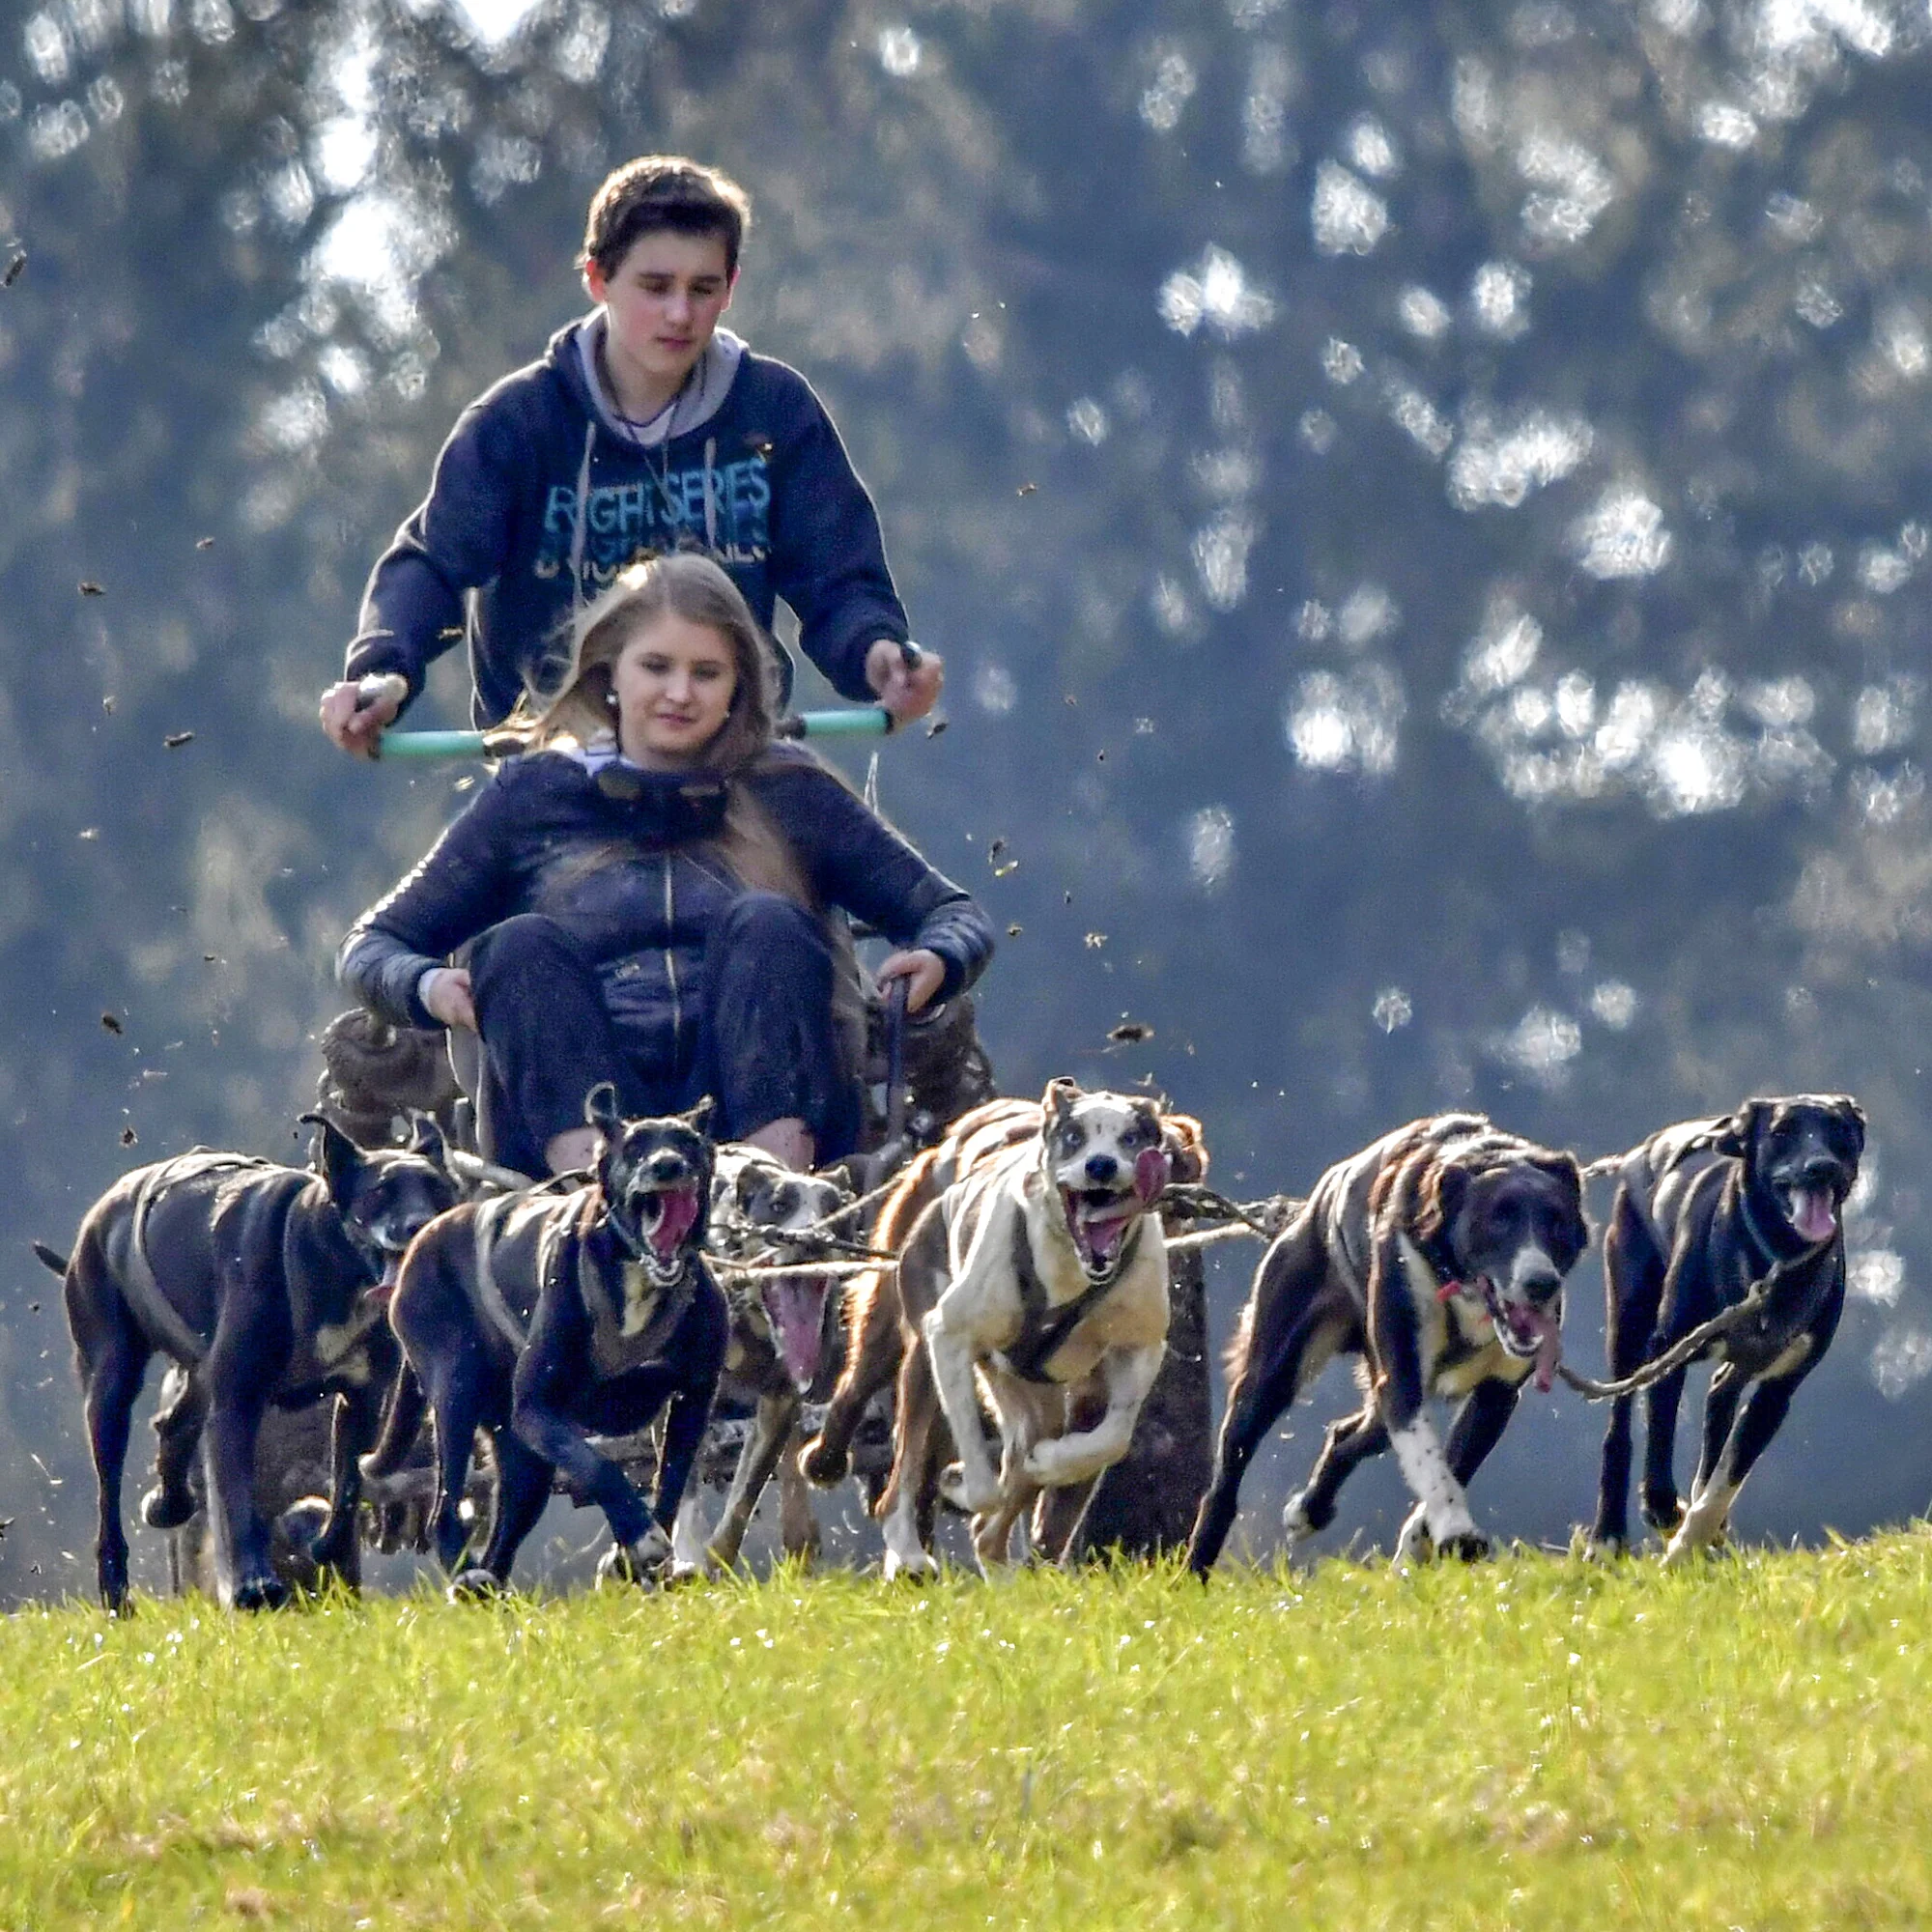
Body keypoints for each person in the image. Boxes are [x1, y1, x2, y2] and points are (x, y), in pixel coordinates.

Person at [337, 554, 990, 1179]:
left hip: (761, 1137)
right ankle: (591, 1196)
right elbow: (372, 946)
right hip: (588, 1138)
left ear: (739, 686)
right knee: (517, 947)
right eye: (656, 667)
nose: (680, 693)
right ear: (610, 673)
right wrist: (428, 987)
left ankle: (770, 1194)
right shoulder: (531, 796)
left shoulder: (791, 790)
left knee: (768, 924)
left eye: (707, 673)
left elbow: (950, 913)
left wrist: (939, 958)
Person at [319, 155, 943, 755]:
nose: (680, 313)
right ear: (598, 280)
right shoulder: (519, 423)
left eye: (703, 288)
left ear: (731, 289)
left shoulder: (775, 411)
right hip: (552, 767)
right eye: (655, 286)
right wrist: (384, 673)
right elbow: (432, 565)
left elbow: (839, 578)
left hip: (730, 763)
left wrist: (879, 654)